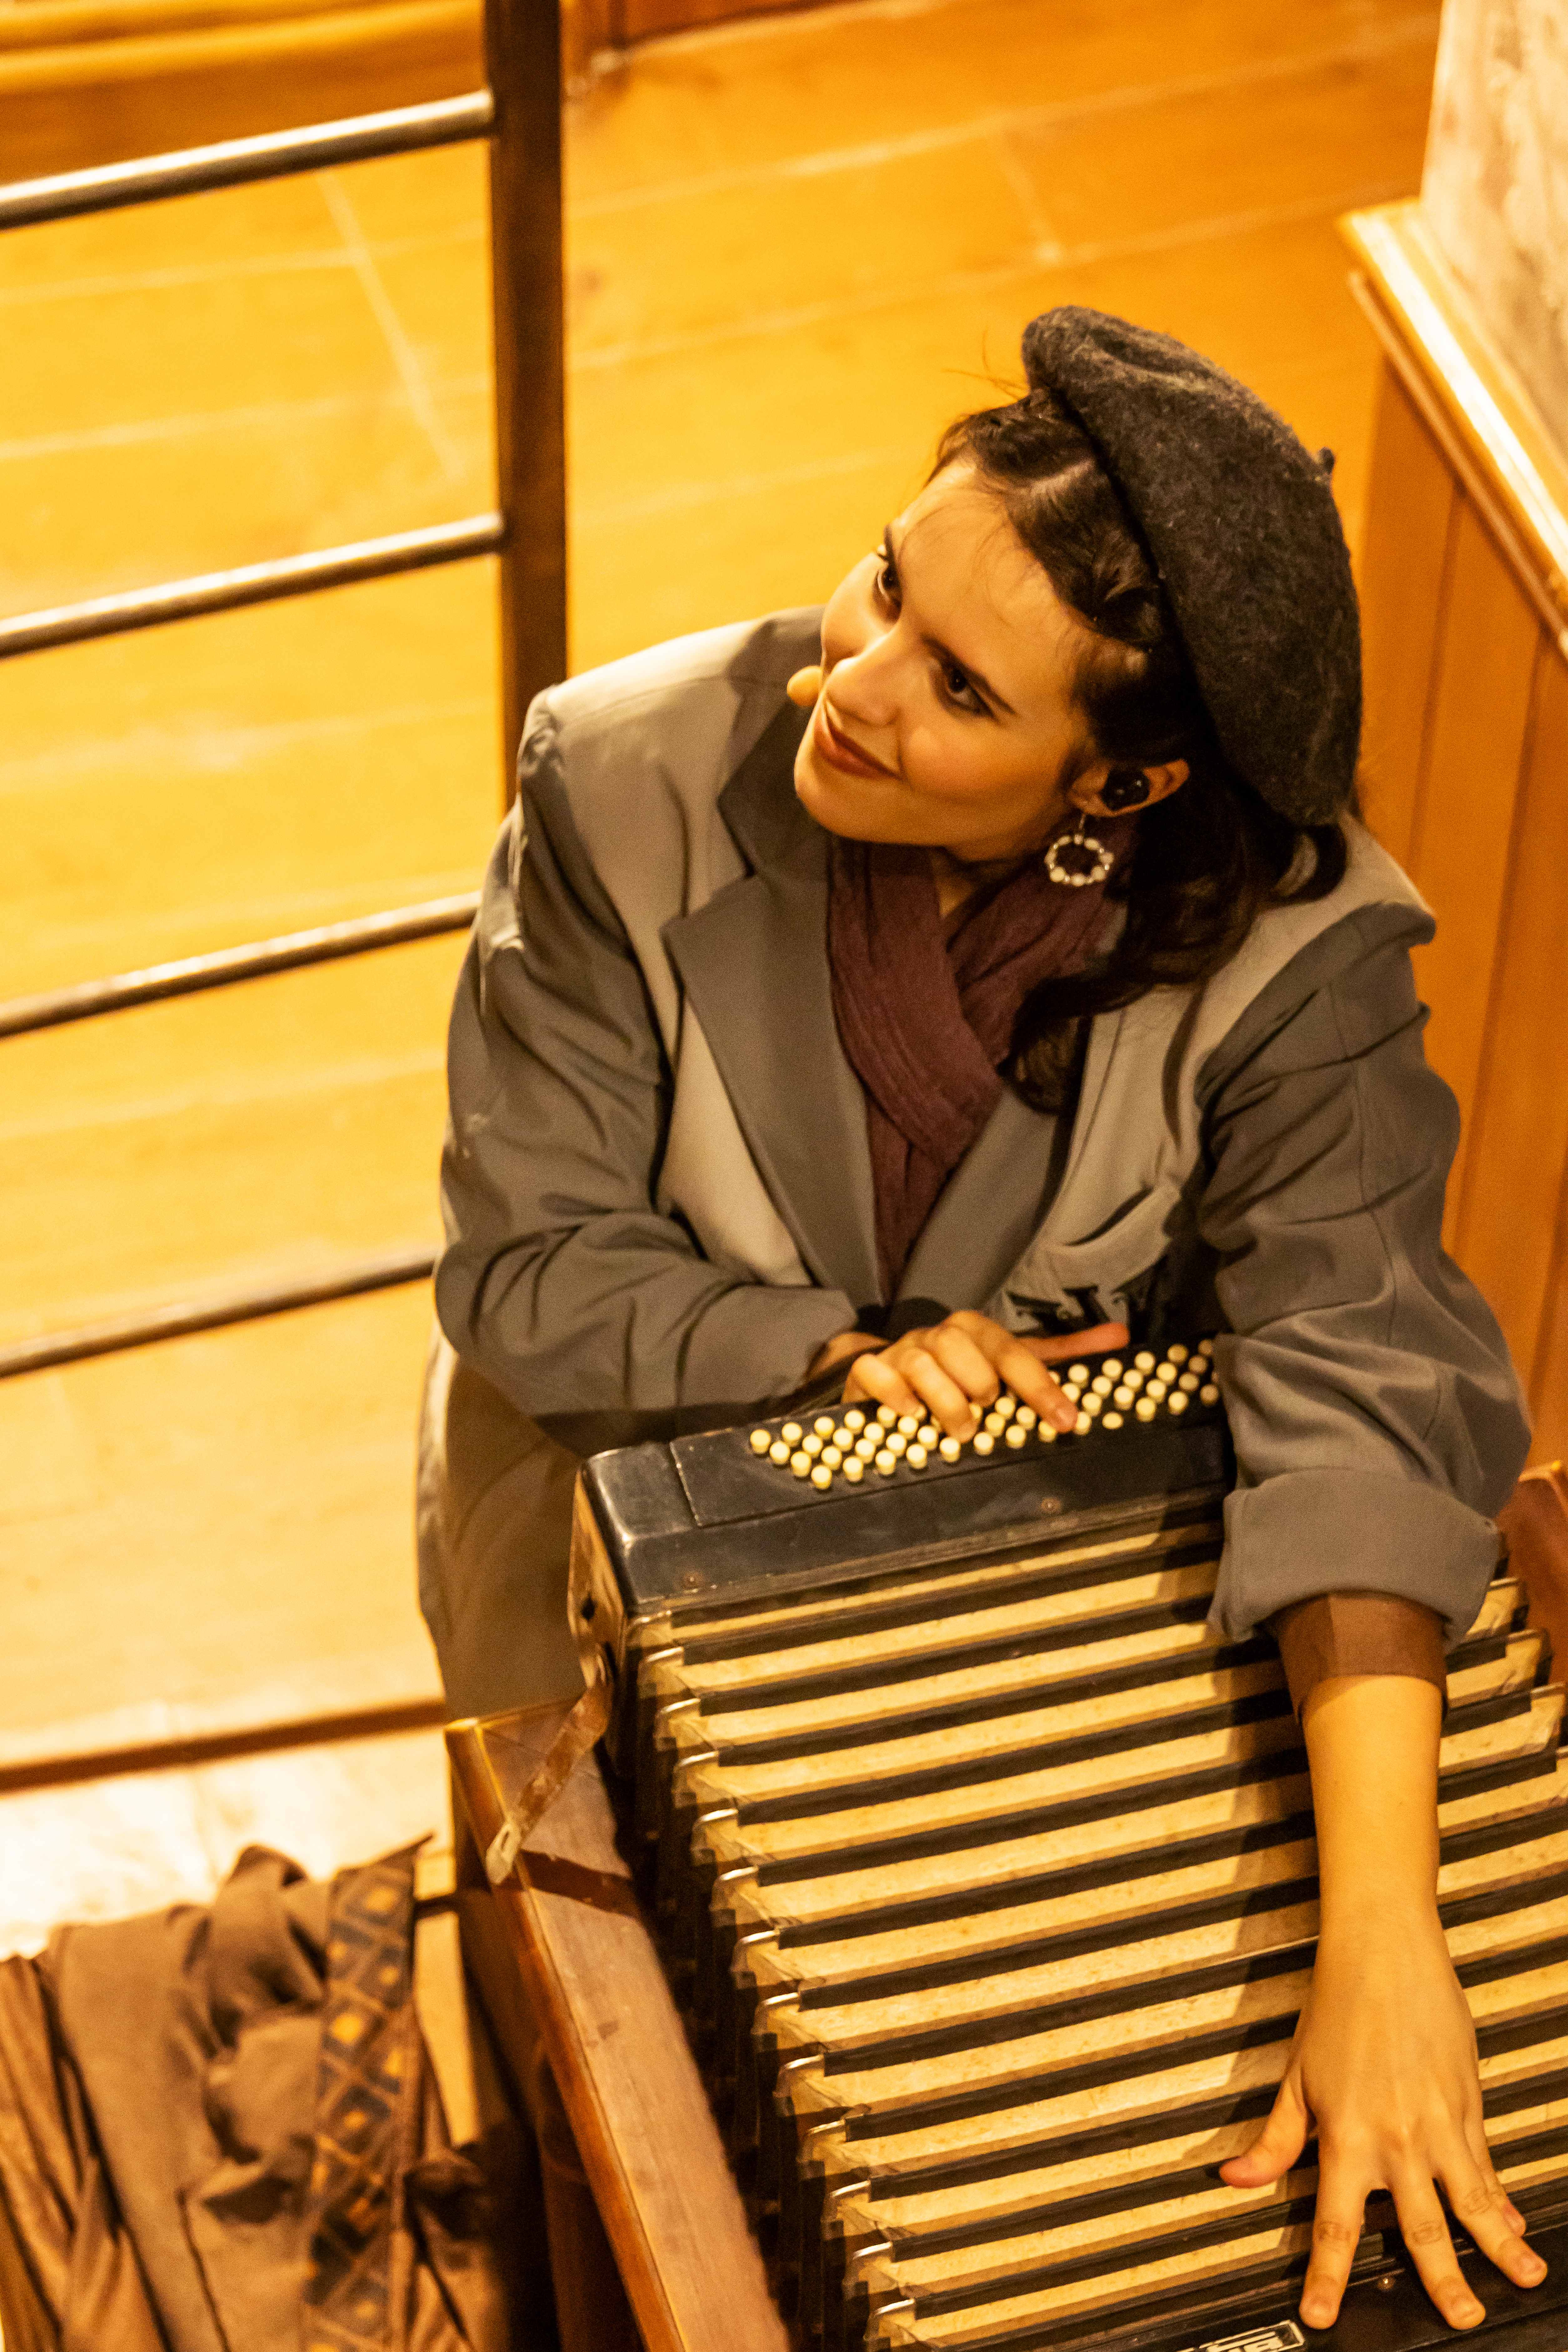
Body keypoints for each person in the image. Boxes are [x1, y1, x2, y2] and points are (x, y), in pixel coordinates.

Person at [417, 307, 1540, 2332]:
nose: (844, 680)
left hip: (1044, 1540)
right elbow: (528, 1271)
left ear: (1122, 777)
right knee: (662, 2059)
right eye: (882, 581)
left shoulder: (1294, 944)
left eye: (956, 686)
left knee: (1077, 2075)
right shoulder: (623, 776)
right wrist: (830, 1354)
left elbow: (1364, 1368)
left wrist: (1386, 1930)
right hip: (626, 1474)